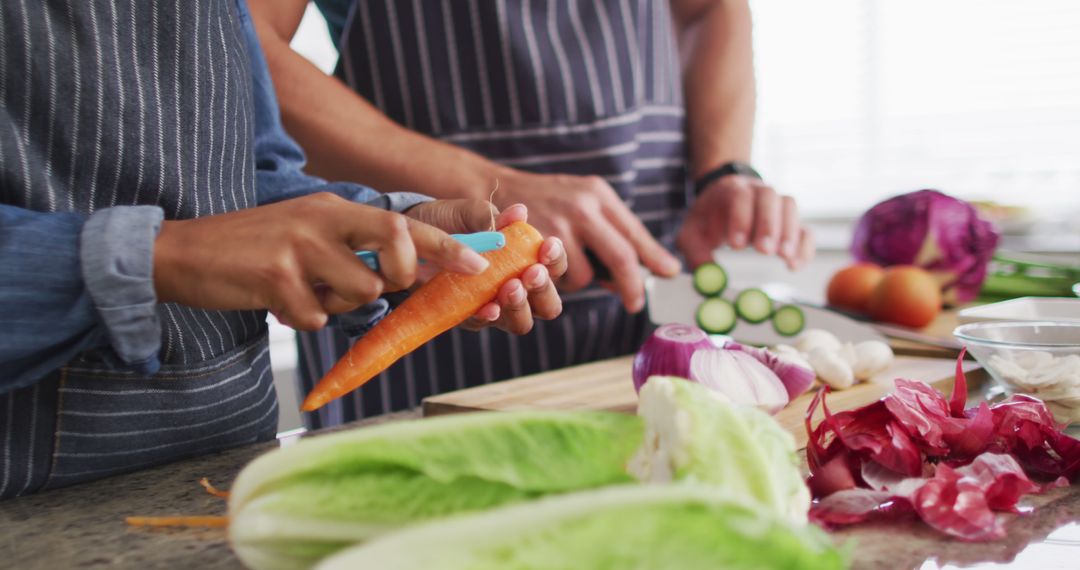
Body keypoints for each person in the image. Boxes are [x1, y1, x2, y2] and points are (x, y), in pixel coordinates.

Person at [0, 0, 565, 500]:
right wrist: (157, 256)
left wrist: (389, 225)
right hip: (29, 501)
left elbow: (255, 170)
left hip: (234, 472)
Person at [248, 0, 816, 427]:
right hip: (425, 277)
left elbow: (706, 9)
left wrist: (722, 169)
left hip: (641, 275)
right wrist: (481, 187)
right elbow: (239, 47)